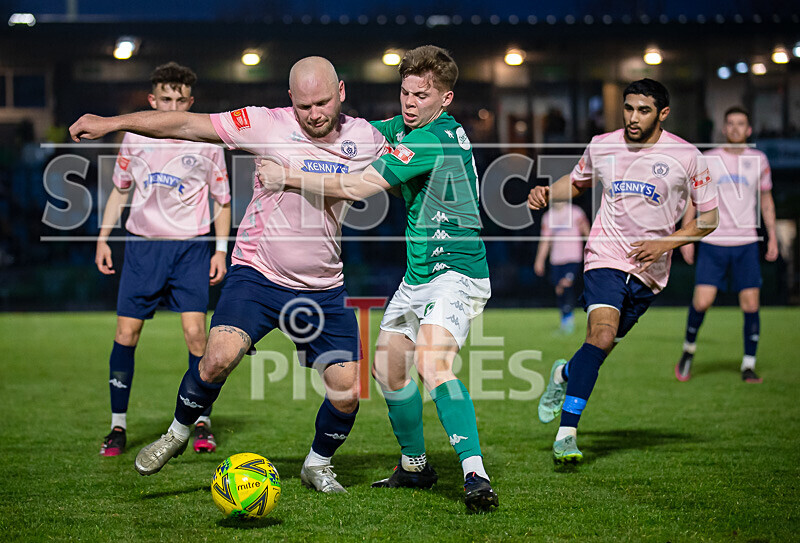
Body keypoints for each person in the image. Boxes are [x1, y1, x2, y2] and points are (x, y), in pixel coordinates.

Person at [71, 57, 387, 493]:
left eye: (323, 102)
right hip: (257, 274)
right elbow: (184, 124)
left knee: (348, 391)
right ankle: (178, 432)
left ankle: (317, 463)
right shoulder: (264, 124)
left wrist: (293, 177)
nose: (315, 114)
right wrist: (110, 122)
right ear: (289, 99)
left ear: (342, 92)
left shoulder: (366, 137)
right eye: (305, 105)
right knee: (217, 356)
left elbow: (398, 167)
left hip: (323, 287)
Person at [258, 45, 498, 512]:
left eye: (422, 95)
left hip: (458, 272)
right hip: (419, 275)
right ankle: (414, 466)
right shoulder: (405, 128)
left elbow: (357, 186)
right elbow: (357, 135)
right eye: (405, 91)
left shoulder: (433, 139)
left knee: (431, 363)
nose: (410, 102)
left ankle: (475, 475)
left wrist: (287, 175)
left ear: (445, 100)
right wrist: (316, 114)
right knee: (388, 369)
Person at [527, 79, 719, 466]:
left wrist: (665, 244)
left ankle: (564, 373)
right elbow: (578, 183)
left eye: (643, 110)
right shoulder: (603, 145)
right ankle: (567, 434)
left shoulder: (688, 157)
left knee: (601, 348)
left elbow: (710, 220)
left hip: (650, 271)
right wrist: (548, 192)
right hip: (605, 255)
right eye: (628, 108)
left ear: (663, 113)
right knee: (601, 334)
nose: (632, 117)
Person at [95, 62, 231, 457]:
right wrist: (103, 238)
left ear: (191, 102)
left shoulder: (207, 143)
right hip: (142, 248)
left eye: (180, 100)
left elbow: (221, 200)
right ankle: (117, 427)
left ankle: (201, 421)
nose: (172, 106)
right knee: (126, 336)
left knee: (196, 336)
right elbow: (121, 191)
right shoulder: (135, 138)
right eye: (165, 99)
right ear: (152, 101)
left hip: (190, 248)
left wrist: (221, 250)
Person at [676, 106, 778, 383]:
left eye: (740, 123)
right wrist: (687, 237)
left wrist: (773, 236)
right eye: (730, 123)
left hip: (746, 243)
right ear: (724, 128)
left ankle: (748, 364)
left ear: (749, 129)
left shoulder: (759, 159)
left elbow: (766, 201)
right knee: (702, 301)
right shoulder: (708, 159)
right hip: (713, 242)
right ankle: (688, 350)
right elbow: (692, 199)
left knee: (751, 304)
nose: (735, 128)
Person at [534, 201, 590, 333]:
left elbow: (587, 233)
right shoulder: (548, 216)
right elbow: (545, 240)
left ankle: (568, 322)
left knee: (566, 284)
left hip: (573, 257)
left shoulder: (576, 212)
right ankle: (565, 319)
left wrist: (592, 253)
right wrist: (539, 260)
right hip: (556, 259)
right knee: (559, 289)